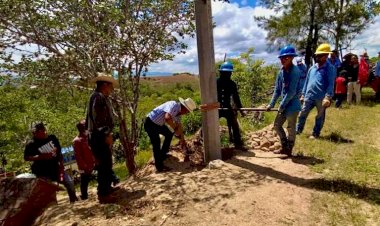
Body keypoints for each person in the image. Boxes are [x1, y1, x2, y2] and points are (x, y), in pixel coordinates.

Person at [24, 122, 78, 203]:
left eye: (39, 131)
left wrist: (61, 165)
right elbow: (26, 157)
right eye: (34, 132)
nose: (35, 134)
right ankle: (53, 209)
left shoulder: (52, 138)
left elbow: (59, 152)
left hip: (55, 168)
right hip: (42, 172)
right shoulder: (31, 144)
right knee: (49, 192)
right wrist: (40, 157)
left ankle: (73, 202)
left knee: (69, 183)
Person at [86, 73, 118, 203]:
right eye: (110, 85)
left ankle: (106, 188)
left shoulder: (98, 97)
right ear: (105, 84)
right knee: (104, 164)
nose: (111, 88)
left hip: (98, 135)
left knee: (106, 164)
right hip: (99, 136)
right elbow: (98, 119)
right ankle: (103, 194)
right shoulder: (98, 97)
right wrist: (106, 134)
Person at [144, 98, 196, 172]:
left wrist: (182, 139)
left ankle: (162, 155)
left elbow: (179, 127)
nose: (186, 113)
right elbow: (167, 118)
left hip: (159, 124)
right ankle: (159, 167)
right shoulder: (173, 104)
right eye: (187, 111)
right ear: (184, 108)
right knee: (156, 143)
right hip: (150, 123)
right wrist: (175, 128)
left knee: (169, 134)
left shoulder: (178, 114)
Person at [266, 45, 301, 157]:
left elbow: (291, 92)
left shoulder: (295, 71)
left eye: (285, 58)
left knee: (290, 128)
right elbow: (277, 90)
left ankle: (289, 150)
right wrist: (271, 104)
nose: (283, 60)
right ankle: (284, 146)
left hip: (292, 105)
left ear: (291, 58)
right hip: (284, 105)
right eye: (281, 58)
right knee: (277, 125)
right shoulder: (281, 72)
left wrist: (282, 104)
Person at [296, 43, 336, 139]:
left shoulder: (330, 68)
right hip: (309, 96)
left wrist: (327, 97)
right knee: (302, 114)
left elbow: (331, 84)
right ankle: (298, 130)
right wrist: (303, 95)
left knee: (320, 117)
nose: (317, 57)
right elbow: (307, 82)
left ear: (326, 56)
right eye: (317, 55)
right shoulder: (312, 68)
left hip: (321, 98)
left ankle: (315, 133)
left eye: (320, 55)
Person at [217, 61, 246, 150]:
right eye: (225, 72)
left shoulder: (232, 84)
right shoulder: (215, 82)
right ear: (221, 72)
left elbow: (236, 98)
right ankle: (205, 142)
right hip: (215, 108)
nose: (227, 74)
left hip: (227, 107)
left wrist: (241, 110)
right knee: (210, 124)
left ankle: (238, 144)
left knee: (234, 124)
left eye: (229, 73)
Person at [73, 120, 95, 200]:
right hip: (85, 165)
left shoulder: (88, 137)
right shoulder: (77, 141)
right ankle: (84, 196)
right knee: (84, 180)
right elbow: (78, 155)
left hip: (93, 161)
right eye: (85, 126)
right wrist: (84, 166)